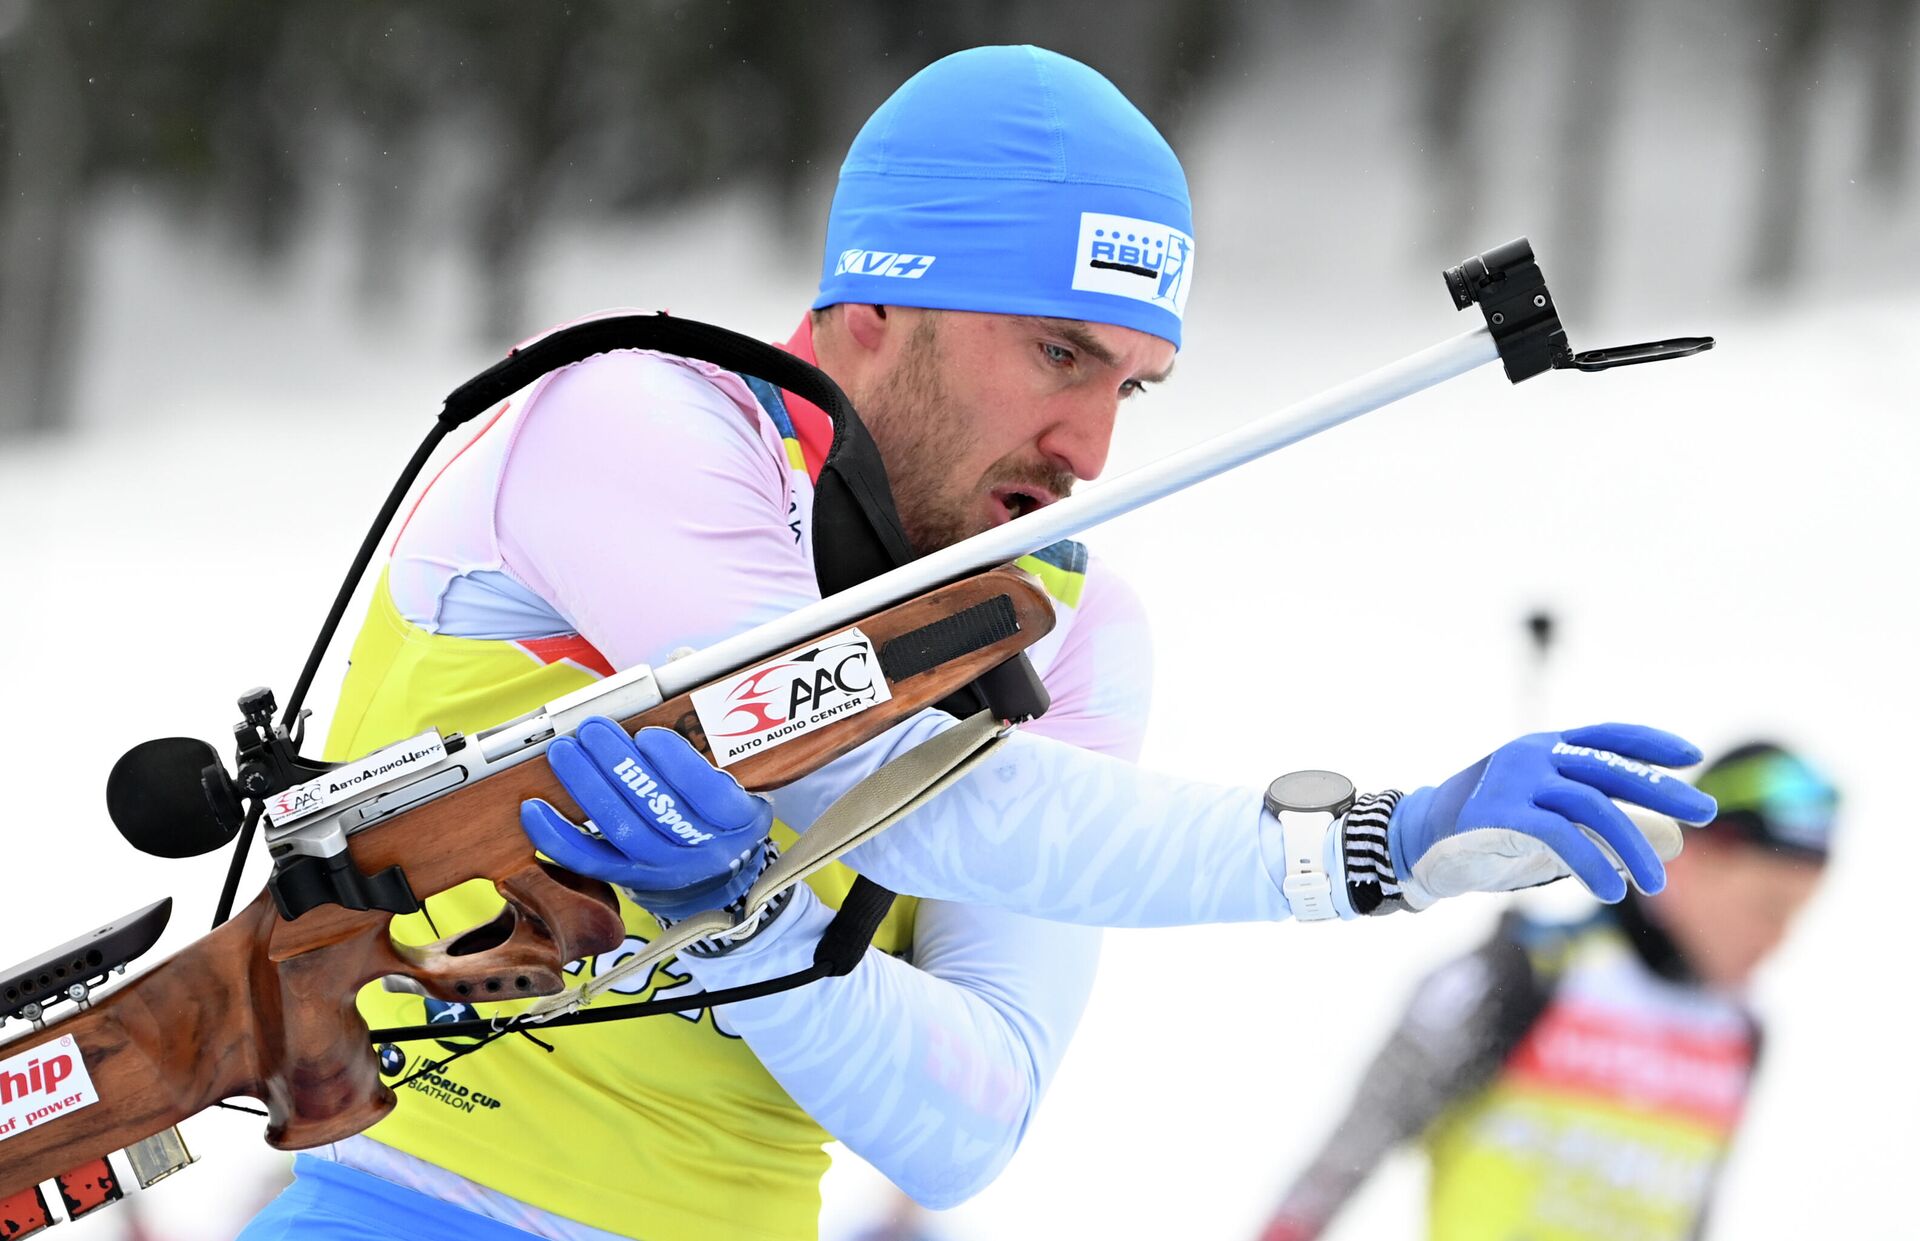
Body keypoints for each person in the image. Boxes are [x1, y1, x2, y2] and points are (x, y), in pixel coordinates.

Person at [240, 45, 1713, 1241]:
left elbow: (969, 1119)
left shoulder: (1067, 634)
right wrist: (1361, 846)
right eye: (1059, 352)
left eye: (1135, 385)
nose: (1086, 445)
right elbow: (865, 781)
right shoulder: (635, 428)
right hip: (407, 1208)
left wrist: (749, 926)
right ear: (878, 303)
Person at [1254, 741, 1836, 1241]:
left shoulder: (1740, 1034)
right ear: (1691, 857)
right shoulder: (1523, 974)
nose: (1778, 939)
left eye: (1798, 915)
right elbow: (1343, 1160)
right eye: (1768, 906)